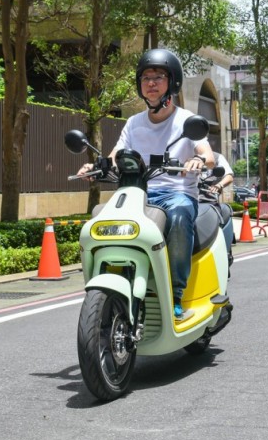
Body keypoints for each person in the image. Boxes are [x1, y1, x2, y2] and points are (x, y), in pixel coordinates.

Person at [77, 48, 214, 321]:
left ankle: (175, 294)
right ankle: (106, 289)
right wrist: (97, 166)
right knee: (98, 218)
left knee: (177, 215)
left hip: (176, 194)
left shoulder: (186, 120)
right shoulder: (133, 122)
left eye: (158, 76)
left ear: (172, 82)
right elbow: (116, 155)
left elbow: (207, 155)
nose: (151, 83)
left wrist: (199, 161)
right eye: (146, 77)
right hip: (139, 194)